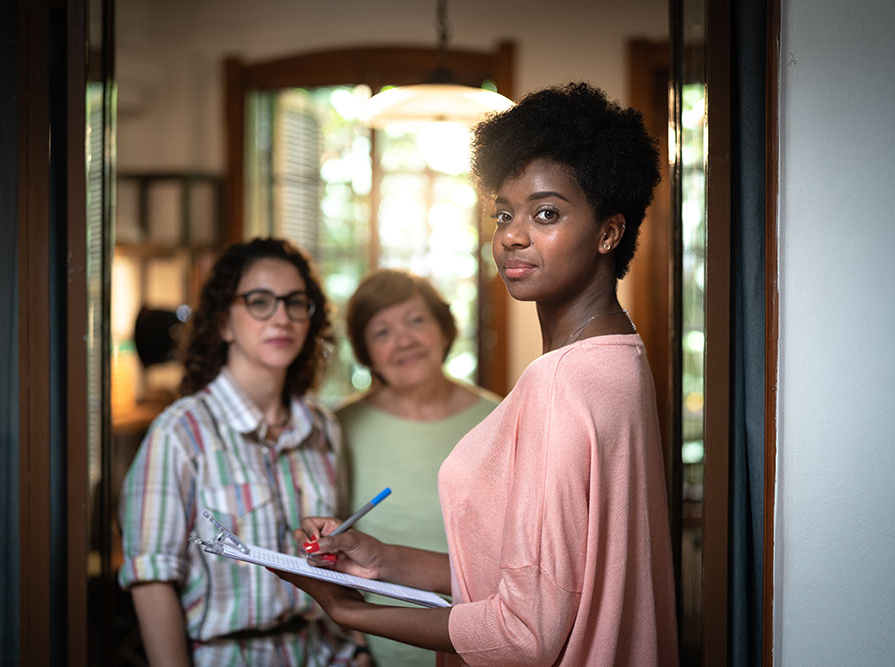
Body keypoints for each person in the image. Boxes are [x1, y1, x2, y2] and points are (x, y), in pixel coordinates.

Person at [275, 82, 679, 666]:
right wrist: (383, 560)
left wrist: (351, 610)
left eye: (546, 213)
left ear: (609, 232)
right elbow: (541, 583)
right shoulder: (621, 361)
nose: (513, 234)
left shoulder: (561, 384)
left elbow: (526, 632)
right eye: (505, 213)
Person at [118, 237, 362, 666]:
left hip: (324, 653)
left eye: (295, 302)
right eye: (259, 302)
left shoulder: (324, 429)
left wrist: (358, 650)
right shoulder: (179, 433)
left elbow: (337, 562)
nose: (281, 317)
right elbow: (151, 580)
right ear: (224, 323)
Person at [337, 269, 499, 666]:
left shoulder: (500, 418)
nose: (404, 341)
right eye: (382, 332)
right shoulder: (339, 427)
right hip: (374, 647)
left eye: (416, 321)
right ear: (365, 351)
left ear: (444, 329)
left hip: (479, 648)